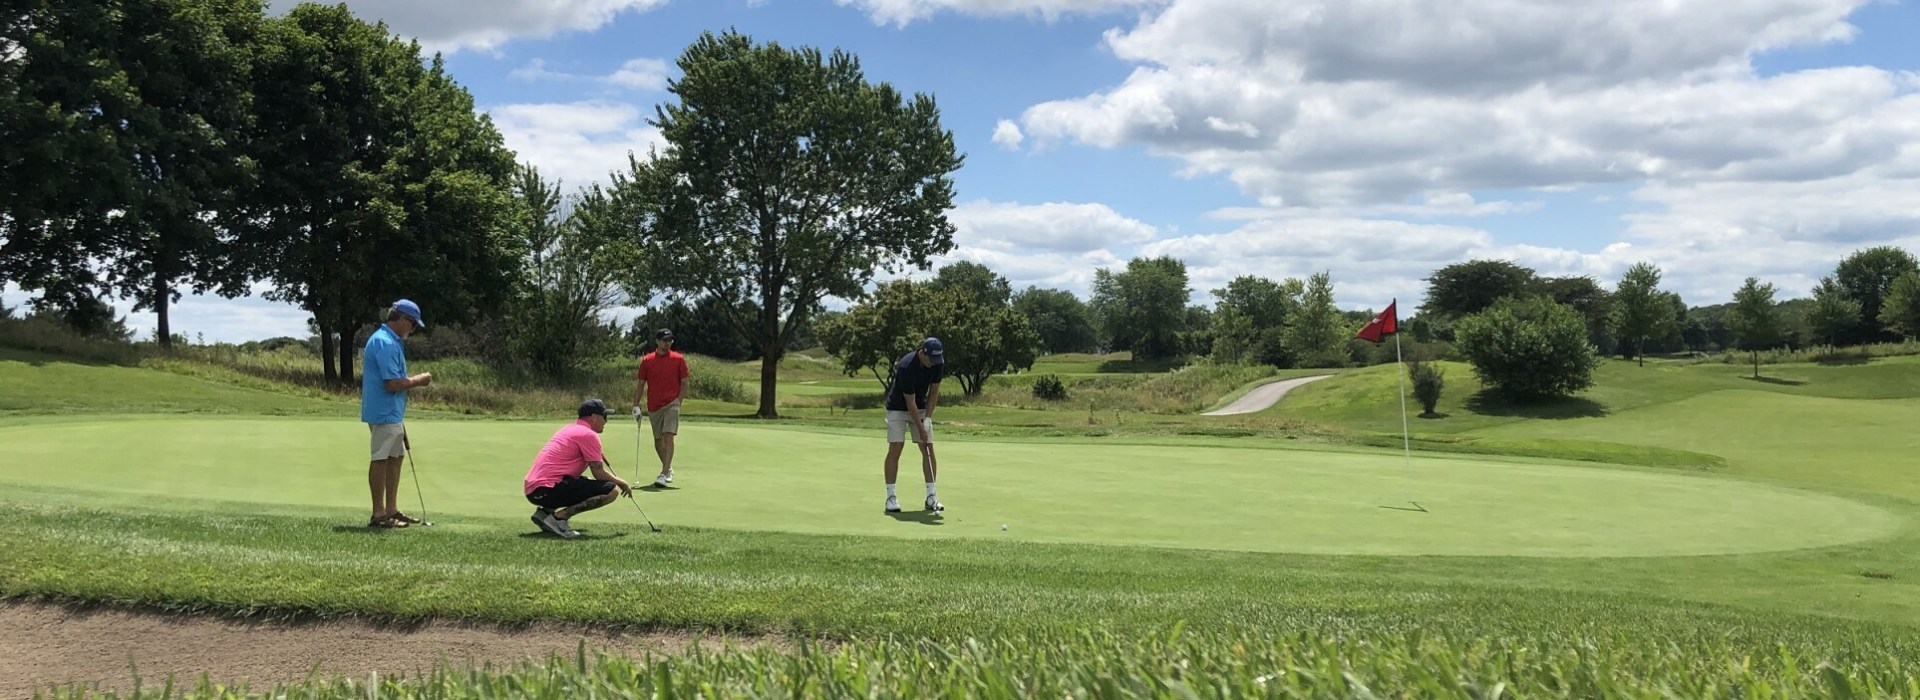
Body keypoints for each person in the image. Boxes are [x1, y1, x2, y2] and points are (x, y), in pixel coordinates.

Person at [361, 299, 434, 529]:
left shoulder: (392, 341)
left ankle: (391, 510)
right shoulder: (384, 342)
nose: (412, 330)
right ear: (402, 319)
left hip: (392, 413)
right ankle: (379, 514)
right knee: (381, 459)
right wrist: (419, 381)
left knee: (396, 457)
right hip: (383, 412)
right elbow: (392, 384)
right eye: (412, 325)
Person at [523, 399, 635, 538]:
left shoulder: (569, 429)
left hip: (534, 490)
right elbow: (598, 473)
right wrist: (621, 483)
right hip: (547, 489)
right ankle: (559, 519)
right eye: (604, 416)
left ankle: (545, 513)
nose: (606, 421)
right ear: (593, 417)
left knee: (582, 481)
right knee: (611, 490)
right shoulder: (588, 435)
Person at [882, 337, 945, 514]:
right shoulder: (906, 365)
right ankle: (890, 497)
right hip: (898, 408)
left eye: (936, 360)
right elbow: (910, 403)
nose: (934, 363)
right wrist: (919, 426)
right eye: (931, 359)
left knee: (928, 448)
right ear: (922, 353)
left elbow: (934, 392)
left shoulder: (937, 363)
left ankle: (932, 496)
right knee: (896, 447)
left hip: (922, 407)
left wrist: (928, 420)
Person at [633, 328, 690, 488]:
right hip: (654, 406)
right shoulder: (647, 360)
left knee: (668, 436)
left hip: (672, 403)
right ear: (657, 341)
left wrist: (678, 401)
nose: (667, 343)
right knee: (658, 440)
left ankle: (664, 473)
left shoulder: (678, 359)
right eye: (664, 340)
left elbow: (685, 382)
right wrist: (635, 404)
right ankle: (668, 468)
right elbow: (640, 385)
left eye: (670, 340)